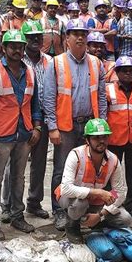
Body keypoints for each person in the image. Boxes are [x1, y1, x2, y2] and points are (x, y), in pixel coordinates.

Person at [43, 18, 107, 231]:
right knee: (62, 170)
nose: (80, 37)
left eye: (83, 34)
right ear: (66, 38)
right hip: (65, 126)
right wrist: (52, 126)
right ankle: (59, 211)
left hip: (89, 125)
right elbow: (49, 96)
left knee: (87, 169)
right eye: (75, 33)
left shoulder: (96, 64)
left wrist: (101, 125)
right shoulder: (56, 63)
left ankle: (81, 210)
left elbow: (100, 97)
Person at [0, 30, 41, 240]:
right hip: (2, 134)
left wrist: (37, 127)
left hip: (24, 133)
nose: (17, 50)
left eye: (20, 46)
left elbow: (35, 103)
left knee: (18, 177)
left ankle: (17, 215)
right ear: (4, 48)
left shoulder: (30, 72)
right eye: (13, 46)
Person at [56, 118, 131, 243]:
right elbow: (66, 189)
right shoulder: (76, 155)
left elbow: (120, 192)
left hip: (96, 203)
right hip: (71, 198)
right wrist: (98, 192)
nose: (101, 141)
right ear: (87, 140)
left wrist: (101, 215)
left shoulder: (113, 160)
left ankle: (95, 222)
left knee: (125, 219)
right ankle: (72, 225)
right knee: (79, 204)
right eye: (96, 138)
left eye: (104, 137)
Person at [106, 56, 132, 221]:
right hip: (115, 138)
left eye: (130, 70)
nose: (128, 74)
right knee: (112, 174)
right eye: (124, 71)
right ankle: (111, 201)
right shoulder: (108, 90)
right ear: (117, 72)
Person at [21, 20, 53, 219]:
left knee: (39, 162)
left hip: (43, 118)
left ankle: (34, 202)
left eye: (38, 37)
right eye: (31, 37)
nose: (35, 40)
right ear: (24, 40)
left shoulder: (50, 61)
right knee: (15, 164)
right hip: (21, 119)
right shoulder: (17, 59)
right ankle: (8, 205)